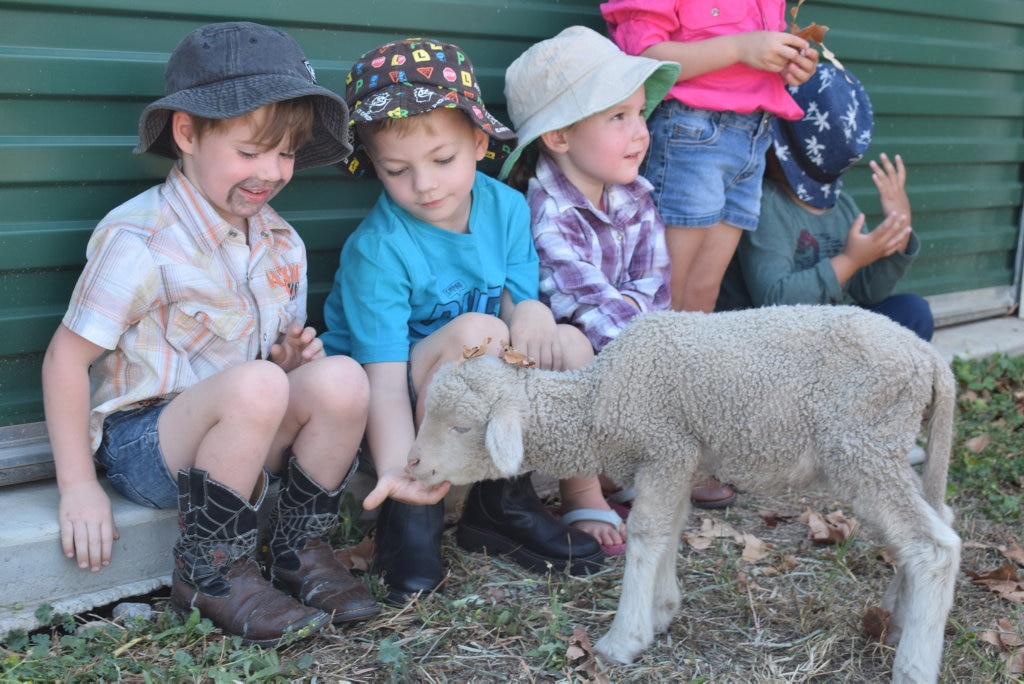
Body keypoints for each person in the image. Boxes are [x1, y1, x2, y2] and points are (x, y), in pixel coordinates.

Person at [40, 22, 377, 647]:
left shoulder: (281, 242)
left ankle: (298, 550)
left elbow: (265, 372)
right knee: (254, 385)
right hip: (147, 445)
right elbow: (64, 359)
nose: (272, 171)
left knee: (342, 378)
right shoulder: (140, 239)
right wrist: (77, 486)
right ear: (188, 132)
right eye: (251, 151)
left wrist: (285, 359)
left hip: (241, 428)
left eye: (286, 153)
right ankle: (208, 571)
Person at [323, 38, 603, 606]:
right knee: (482, 334)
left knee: (569, 345)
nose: (424, 185)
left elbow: (516, 313)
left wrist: (533, 308)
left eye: (443, 161)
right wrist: (405, 476)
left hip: (474, 377)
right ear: (373, 165)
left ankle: (510, 504)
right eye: (397, 170)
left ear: (479, 143)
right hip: (391, 395)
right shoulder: (379, 249)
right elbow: (380, 378)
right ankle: (410, 525)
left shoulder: (506, 208)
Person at [601, 0, 819, 508]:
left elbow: (750, 64)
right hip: (692, 130)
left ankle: (677, 445)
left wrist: (786, 64)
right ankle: (627, 447)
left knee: (700, 298)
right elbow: (645, 56)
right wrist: (744, 47)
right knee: (662, 299)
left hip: (751, 138)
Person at [500, 26, 677, 554]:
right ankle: (580, 487)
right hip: (559, 363)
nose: (640, 131)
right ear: (558, 137)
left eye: (641, 112)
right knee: (582, 347)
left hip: (620, 351)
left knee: (655, 343)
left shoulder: (636, 196)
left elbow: (654, 283)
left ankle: (621, 465)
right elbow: (583, 304)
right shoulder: (546, 213)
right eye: (618, 117)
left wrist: (657, 342)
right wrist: (654, 349)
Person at [717, 63, 934, 344]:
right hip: (770, 346)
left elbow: (869, 293)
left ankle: (859, 386)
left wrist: (898, 235)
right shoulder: (765, 203)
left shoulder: (843, 207)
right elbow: (773, 301)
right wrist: (849, 261)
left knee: (913, 312)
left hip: (823, 337)